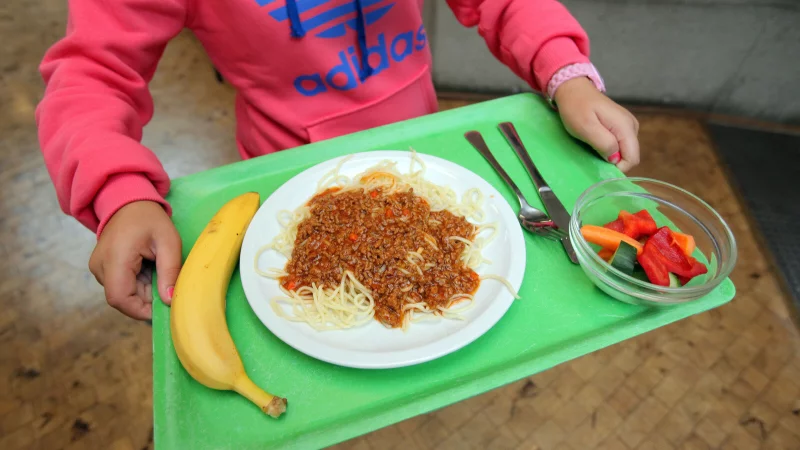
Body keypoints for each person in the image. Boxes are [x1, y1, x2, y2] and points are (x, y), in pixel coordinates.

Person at [36, 0, 640, 321]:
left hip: (422, 145)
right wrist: (118, 189)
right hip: (287, 170)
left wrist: (566, 73)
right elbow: (93, 72)